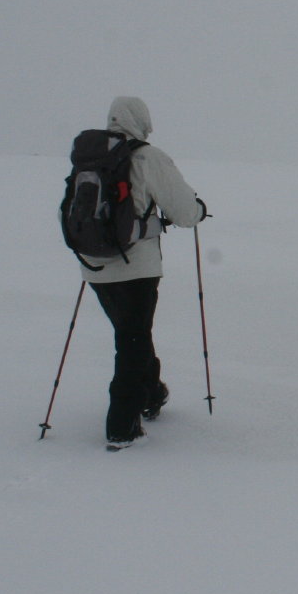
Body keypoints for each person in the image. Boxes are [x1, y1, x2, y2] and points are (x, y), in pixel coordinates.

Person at [80, 96, 205, 448]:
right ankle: (122, 426)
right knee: (132, 340)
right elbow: (184, 211)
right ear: (141, 120)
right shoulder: (148, 157)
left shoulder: (90, 159)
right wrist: (198, 210)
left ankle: (152, 393)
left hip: (94, 266)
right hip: (136, 268)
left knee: (132, 333)